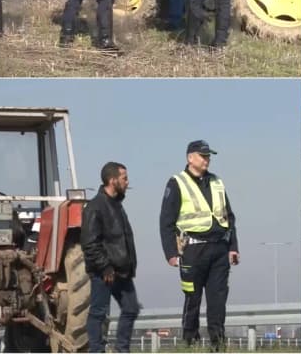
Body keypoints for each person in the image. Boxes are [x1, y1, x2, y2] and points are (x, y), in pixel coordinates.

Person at [159, 140, 239, 351]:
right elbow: (166, 221)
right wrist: (171, 253)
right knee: (192, 300)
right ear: (190, 158)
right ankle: (189, 343)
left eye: (208, 156)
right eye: (203, 156)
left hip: (219, 250)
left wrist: (233, 247)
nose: (207, 160)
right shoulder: (177, 182)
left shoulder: (217, 182)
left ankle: (218, 345)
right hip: (193, 251)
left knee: (217, 301)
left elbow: (229, 217)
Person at [81, 162, 140, 353]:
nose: (127, 181)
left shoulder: (117, 205)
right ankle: (96, 350)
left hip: (122, 271)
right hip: (104, 272)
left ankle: (122, 350)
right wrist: (105, 266)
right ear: (112, 180)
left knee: (131, 309)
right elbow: (89, 243)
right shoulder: (95, 206)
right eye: (124, 178)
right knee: (98, 313)